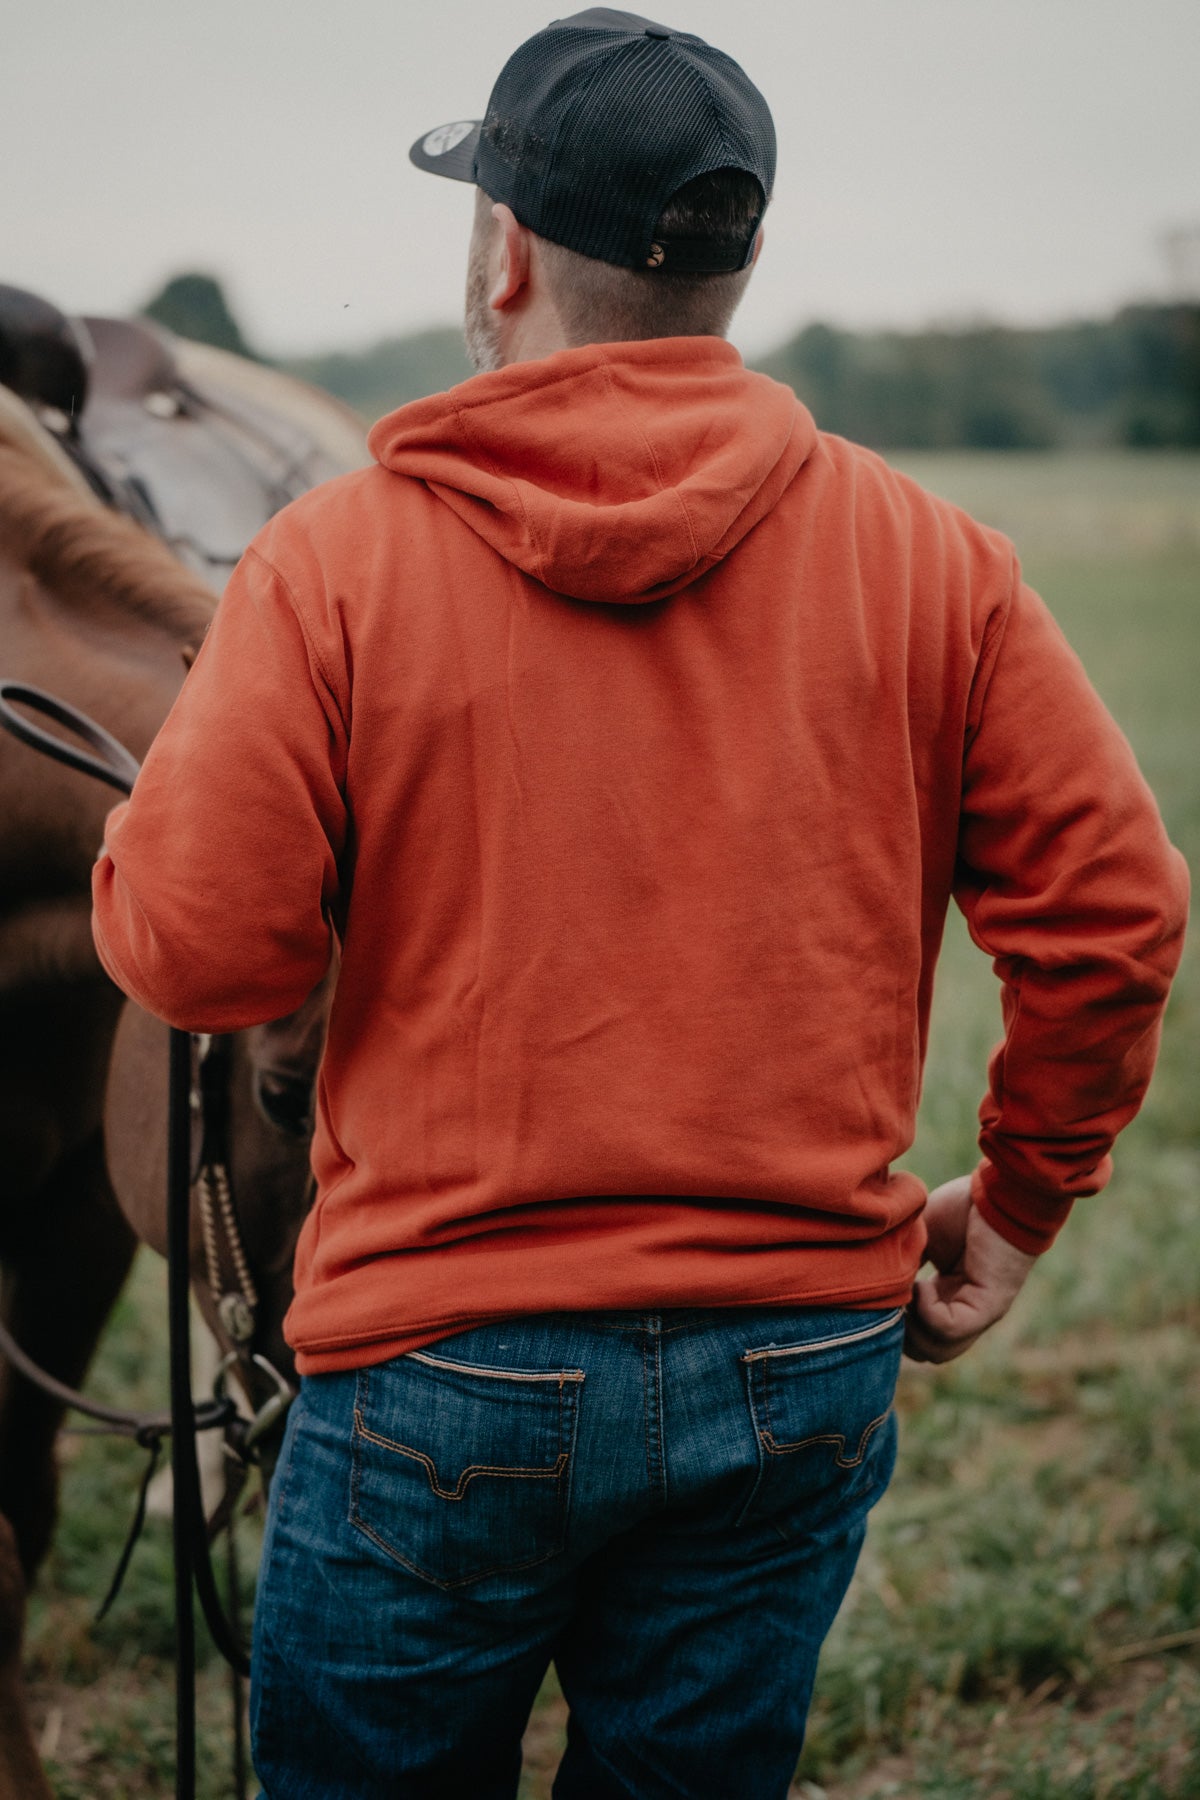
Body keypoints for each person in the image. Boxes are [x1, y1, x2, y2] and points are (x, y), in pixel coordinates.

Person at [91, 10, 1188, 1797]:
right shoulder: (935, 559)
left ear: (504, 252)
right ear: (739, 264)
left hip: (437, 1374)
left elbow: (204, 954)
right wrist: (1027, 1199)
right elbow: (1118, 908)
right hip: (800, 1361)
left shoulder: (335, 560)